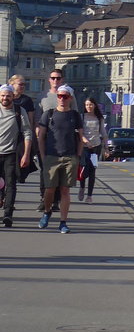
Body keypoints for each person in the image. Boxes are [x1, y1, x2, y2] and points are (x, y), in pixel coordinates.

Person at [37, 84, 83, 233]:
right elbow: (41, 137)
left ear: (70, 98)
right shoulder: (49, 114)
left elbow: (81, 138)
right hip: (51, 156)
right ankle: (47, 211)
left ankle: (63, 222)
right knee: (49, 189)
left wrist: (78, 156)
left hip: (69, 157)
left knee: (65, 190)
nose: (62, 99)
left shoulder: (75, 116)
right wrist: (43, 156)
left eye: (65, 96)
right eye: (59, 96)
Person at [0, 84, 34, 227]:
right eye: (2, 95)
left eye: (8, 95)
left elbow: (27, 132)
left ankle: (8, 215)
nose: (5, 98)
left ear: (13, 96)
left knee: (11, 184)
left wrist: (26, 154)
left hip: (11, 154)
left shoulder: (19, 111)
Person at [38, 69, 68, 215]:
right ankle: (43, 199)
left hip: (61, 139)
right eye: (53, 78)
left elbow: (73, 116)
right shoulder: (43, 96)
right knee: (45, 170)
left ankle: (55, 201)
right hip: (45, 137)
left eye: (58, 78)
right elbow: (37, 117)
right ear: (49, 80)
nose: (55, 81)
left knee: (58, 171)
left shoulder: (68, 95)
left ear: (62, 80)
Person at [8, 75, 38, 183]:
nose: (23, 86)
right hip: (6, 136)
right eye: (20, 84)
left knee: (18, 168)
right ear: (12, 84)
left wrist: (31, 137)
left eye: (24, 84)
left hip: (21, 137)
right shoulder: (5, 98)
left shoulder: (27, 100)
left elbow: (31, 120)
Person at [78, 97, 107, 204]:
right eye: (86, 105)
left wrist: (106, 147)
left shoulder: (99, 118)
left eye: (90, 104)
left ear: (94, 105)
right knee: (84, 169)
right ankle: (82, 187)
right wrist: (86, 142)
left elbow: (103, 133)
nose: (88, 107)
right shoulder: (81, 117)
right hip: (84, 146)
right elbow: (79, 133)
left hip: (96, 147)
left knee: (92, 171)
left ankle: (89, 196)